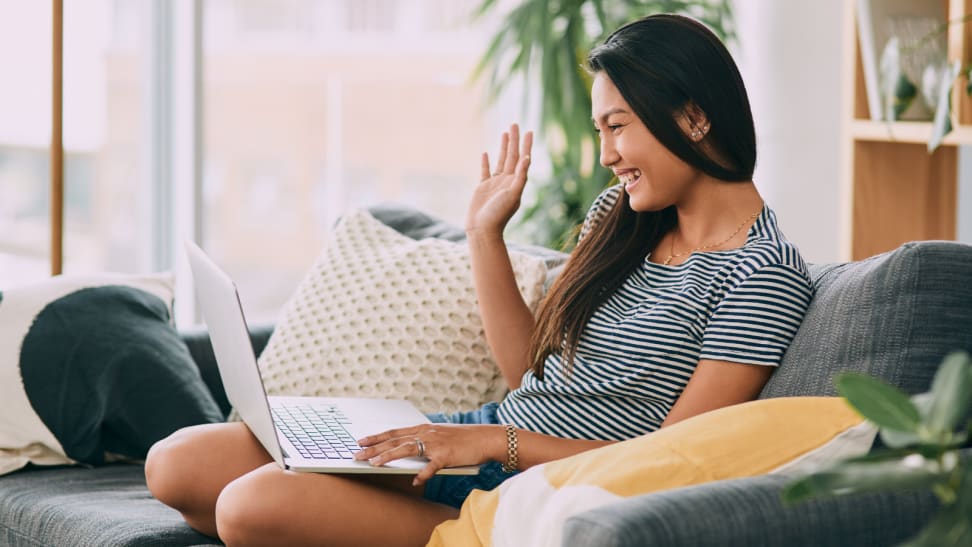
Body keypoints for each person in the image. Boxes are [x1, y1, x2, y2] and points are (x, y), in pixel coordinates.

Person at [145, 13, 813, 546]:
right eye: (601, 130)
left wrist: (494, 444)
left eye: (618, 127)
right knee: (176, 463)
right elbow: (530, 375)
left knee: (248, 506)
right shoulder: (623, 218)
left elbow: (671, 463)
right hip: (480, 443)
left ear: (694, 117)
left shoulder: (763, 273)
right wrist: (483, 235)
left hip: (527, 491)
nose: (607, 155)